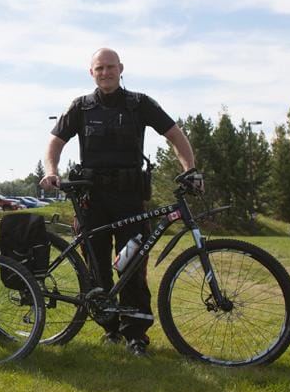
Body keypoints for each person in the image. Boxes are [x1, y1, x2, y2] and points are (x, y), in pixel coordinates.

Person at [40, 47, 196, 357]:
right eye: (99, 68)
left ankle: (135, 333)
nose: (105, 72)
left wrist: (189, 169)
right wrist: (51, 171)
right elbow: (54, 143)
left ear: (121, 68)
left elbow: (174, 135)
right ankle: (109, 327)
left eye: (110, 67)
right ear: (91, 73)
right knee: (97, 267)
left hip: (129, 198)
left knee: (133, 266)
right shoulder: (81, 107)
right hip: (91, 200)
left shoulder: (139, 104)